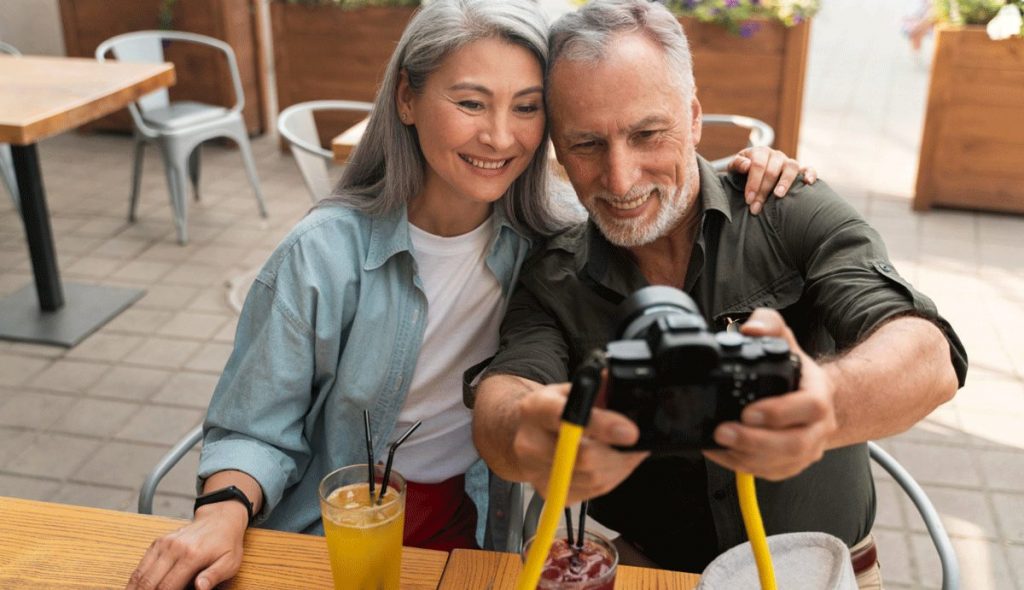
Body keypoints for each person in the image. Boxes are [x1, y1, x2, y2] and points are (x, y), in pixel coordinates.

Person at [124, 1, 807, 589]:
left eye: (527, 108)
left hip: (483, 530)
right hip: (336, 535)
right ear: (407, 98)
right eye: (471, 102)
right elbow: (251, 426)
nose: (500, 136)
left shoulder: (551, 247)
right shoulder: (322, 254)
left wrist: (740, 169)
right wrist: (220, 515)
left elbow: (656, 192)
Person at [471, 1, 968, 589]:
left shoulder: (785, 207)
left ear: (693, 118)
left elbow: (928, 356)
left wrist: (826, 402)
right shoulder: (554, 274)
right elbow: (505, 397)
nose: (621, 178)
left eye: (647, 134)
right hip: (652, 576)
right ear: (556, 147)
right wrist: (530, 431)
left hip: (820, 574)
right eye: (586, 145)